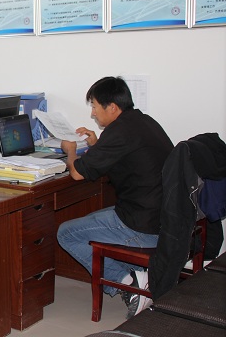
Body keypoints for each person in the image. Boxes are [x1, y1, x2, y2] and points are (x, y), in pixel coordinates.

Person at [57, 76, 173, 319]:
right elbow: (124, 156)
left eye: (94, 106)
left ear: (112, 107)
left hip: (142, 225)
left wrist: (70, 151)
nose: (92, 113)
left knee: (66, 233)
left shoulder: (119, 132)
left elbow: (77, 173)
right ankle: (139, 276)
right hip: (163, 218)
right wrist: (97, 144)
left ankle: (129, 283)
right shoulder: (143, 122)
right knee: (92, 218)